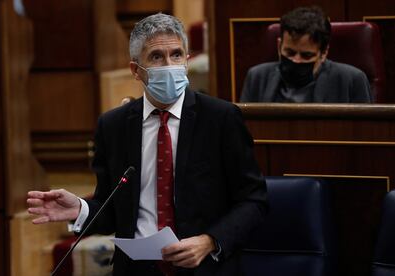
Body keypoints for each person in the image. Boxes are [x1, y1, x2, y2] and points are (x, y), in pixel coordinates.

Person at [27, 13, 268, 276]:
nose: (169, 65)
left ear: (187, 61)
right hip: (137, 269)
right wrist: (82, 209)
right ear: (135, 70)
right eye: (156, 57)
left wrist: (209, 241)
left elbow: (253, 201)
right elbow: (114, 208)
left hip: (205, 266)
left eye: (176, 55)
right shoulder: (114, 126)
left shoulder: (220, 118)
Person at [240, 6, 372, 103]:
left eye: (306, 55)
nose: (296, 61)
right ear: (279, 45)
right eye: (290, 52)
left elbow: (364, 134)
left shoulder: (352, 80)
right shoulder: (257, 77)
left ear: (324, 52)